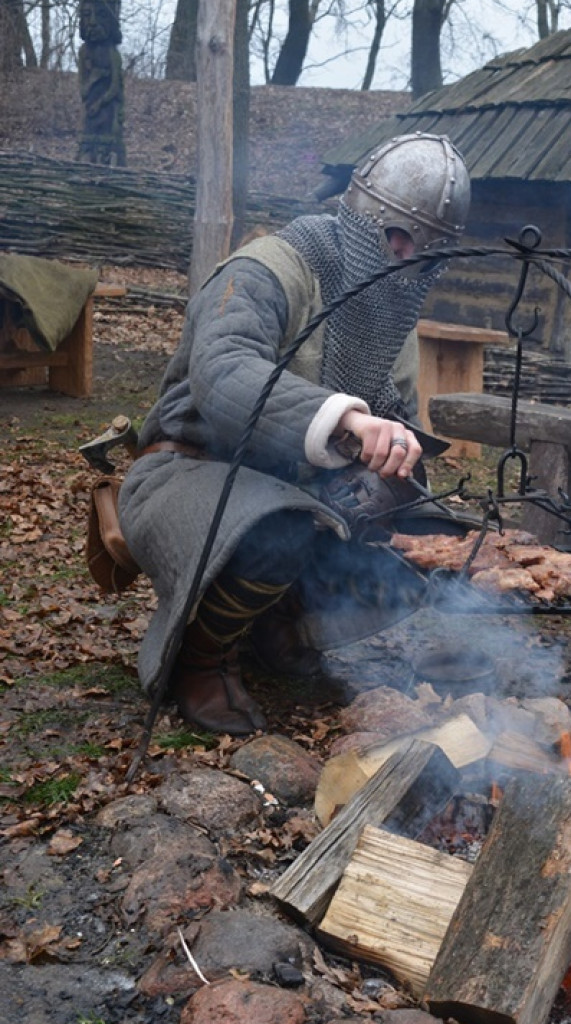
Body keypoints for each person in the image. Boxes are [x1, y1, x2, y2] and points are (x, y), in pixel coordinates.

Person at [118, 132, 471, 735]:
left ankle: (279, 621)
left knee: (422, 543)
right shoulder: (269, 268)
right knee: (275, 526)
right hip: (186, 475)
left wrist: (399, 467)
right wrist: (349, 420)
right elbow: (223, 371)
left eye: (423, 249)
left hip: (304, 496)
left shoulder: (394, 319)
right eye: (395, 234)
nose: (403, 253)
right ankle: (201, 660)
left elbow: (399, 422)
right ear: (360, 214)